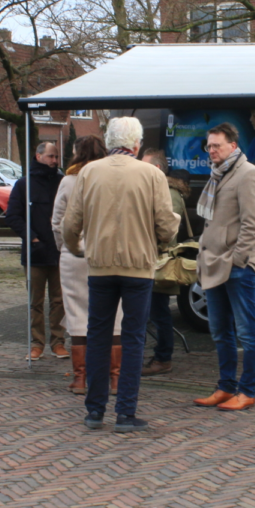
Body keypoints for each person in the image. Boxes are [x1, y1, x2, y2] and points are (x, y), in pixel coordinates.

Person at [62, 117, 178, 433]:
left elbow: (70, 225)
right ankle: (126, 412)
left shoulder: (88, 172)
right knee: (133, 337)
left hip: (99, 267)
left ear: (110, 140)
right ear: (136, 144)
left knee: (98, 336)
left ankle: (95, 411)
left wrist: (80, 250)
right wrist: (159, 242)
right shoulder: (152, 175)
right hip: (138, 268)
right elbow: (167, 225)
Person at [193, 122, 255, 412]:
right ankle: (225, 387)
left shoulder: (248, 174)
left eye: (216, 145)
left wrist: (238, 258)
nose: (211, 150)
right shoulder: (217, 174)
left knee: (247, 333)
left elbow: (252, 223)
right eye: (209, 146)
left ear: (232, 146)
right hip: (213, 263)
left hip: (237, 266)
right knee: (220, 331)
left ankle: (247, 391)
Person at [51, 135, 124, 395]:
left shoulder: (69, 181)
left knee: (78, 316)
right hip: (107, 254)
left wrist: (68, 248)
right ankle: (115, 379)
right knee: (115, 316)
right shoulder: (111, 179)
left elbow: (58, 221)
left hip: (76, 255)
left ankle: (80, 378)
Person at [8, 142, 65, 361]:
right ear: (38, 156)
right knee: (36, 301)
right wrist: (31, 237)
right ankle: (36, 342)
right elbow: (13, 215)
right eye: (51, 156)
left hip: (59, 250)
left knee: (59, 301)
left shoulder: (62, 182)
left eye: (57, 156)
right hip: (35, 252)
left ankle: (58, 341)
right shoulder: (24, 185)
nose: (54, 161)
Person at [140, 150, 192, 377]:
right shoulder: (159, 190)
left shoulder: (169, 194)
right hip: (151, 261)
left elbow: (167, 233)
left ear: (157, 170)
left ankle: (163, 358)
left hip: (159, 263)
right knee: (153, 312)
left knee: (158, 312)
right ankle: (159, 356)